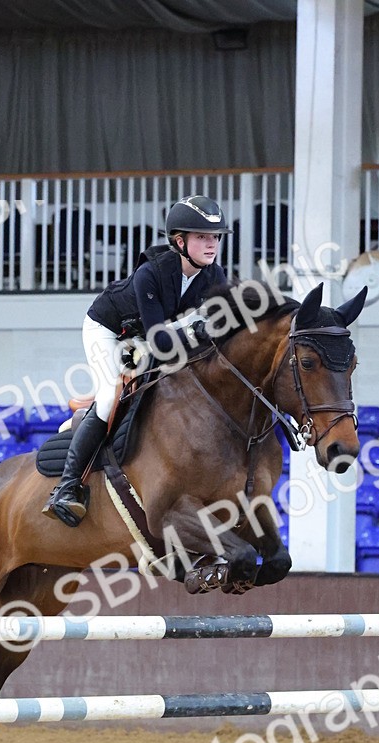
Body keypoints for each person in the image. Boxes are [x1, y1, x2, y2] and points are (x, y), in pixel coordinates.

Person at [42, 194, 230, 527]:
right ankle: (66, 488)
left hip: (148, 338)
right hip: (108, 330)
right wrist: (198, 331)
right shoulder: (151, 273)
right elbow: (159, 341)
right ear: (180, 241)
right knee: (109, 397)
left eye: (215, 237)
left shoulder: (214, 277)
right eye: (202, 237)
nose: (211, 244)